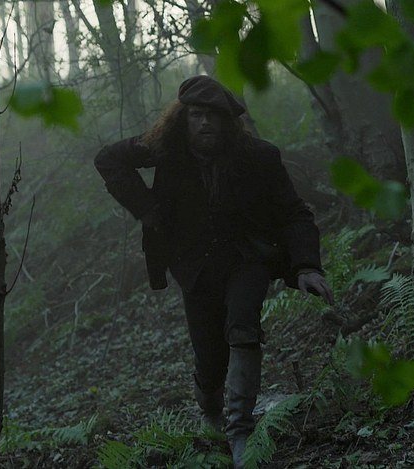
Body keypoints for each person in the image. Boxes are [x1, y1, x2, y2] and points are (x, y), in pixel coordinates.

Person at [94, 75, 334, 467]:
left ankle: (240, 431)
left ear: (227, 121)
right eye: (196, 114)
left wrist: (307, 265)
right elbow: (108, 159)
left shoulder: (258, 156)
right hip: (194, 267)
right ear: (182, 119)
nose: (205, 122)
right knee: (208, 358)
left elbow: (294, 212)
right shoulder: (166, 149)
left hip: (246, 259)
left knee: (243, 329)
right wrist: (147, 209)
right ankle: (211, 412)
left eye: (214, 115)